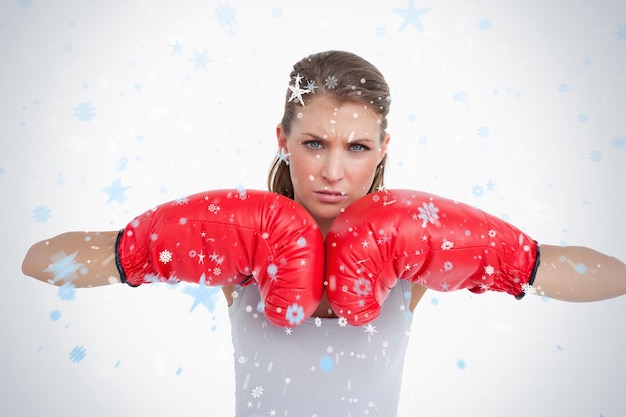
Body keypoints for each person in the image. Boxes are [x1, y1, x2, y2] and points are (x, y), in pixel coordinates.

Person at [21, 50, 626, 417]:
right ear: (282, 139)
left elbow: (606, 277)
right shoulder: (242, 245)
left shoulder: (412, 250)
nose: (333, 171)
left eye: (357, 147)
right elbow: (38, 261)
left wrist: (513, 256)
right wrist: (141, 244)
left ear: (382, 149)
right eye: (313, 143)